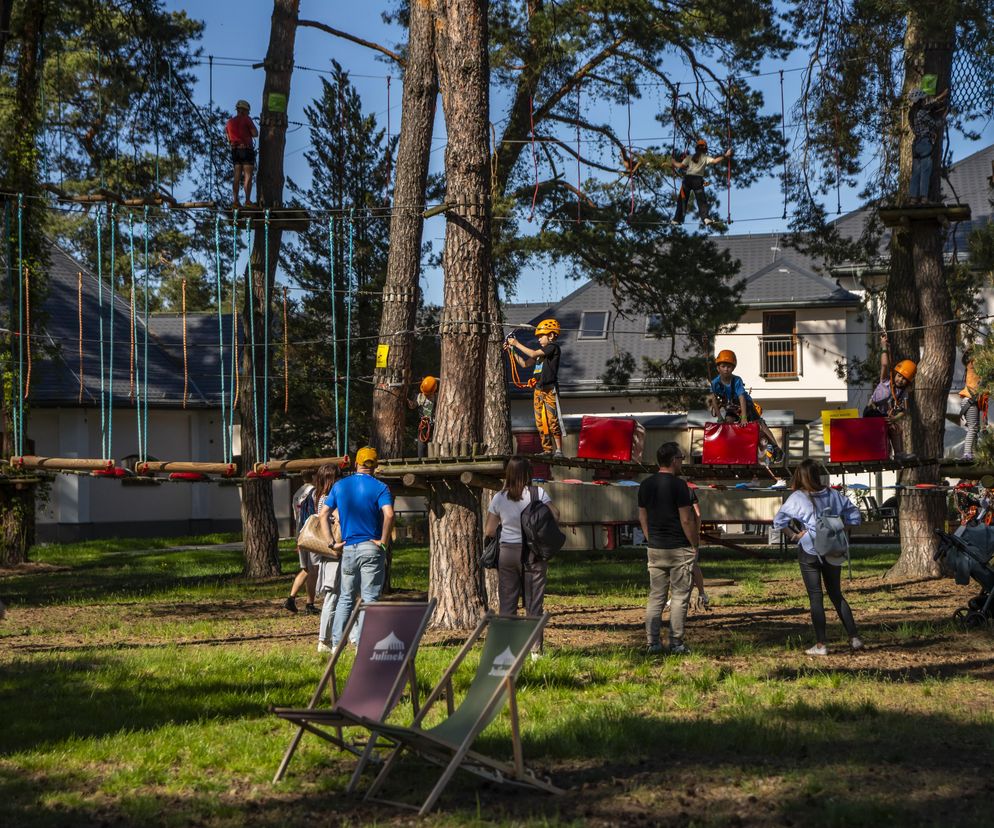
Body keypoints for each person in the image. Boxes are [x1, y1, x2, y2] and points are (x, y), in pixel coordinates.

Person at [772, 458, 863, 655]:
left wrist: (795, 536)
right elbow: (855, 515)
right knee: (836, 594)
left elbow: (779, 521)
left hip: (810, 549)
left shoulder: (798, 497)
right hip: (833, 549)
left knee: (816, 596)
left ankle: (821, 644)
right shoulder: (833, 494)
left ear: (800, 476)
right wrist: (841, 530)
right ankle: (854, 637)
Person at [484, 455, 560, 658]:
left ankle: (506, 651)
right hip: (534, 553)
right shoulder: (538, 493)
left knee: (507, 604)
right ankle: (535, 652)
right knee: (534, 603)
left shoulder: (499, 497)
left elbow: (489, 530)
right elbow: (556, 514)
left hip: (507, 553)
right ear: (528, 473)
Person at [328, 447, 395, 649]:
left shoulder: (340, 485)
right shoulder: (380, 487)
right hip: (371, 547)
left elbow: (323, 514)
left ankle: (335, 645)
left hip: (348, 548)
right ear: (374, 465)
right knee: (370, 598)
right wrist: (383, 541)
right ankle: (363, 645)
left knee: (345, 597)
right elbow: (390, 515)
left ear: (356, 463)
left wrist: (331, 541)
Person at [638, 441, 700, 655]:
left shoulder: (645, 485)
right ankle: (676, 643)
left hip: (655, 548)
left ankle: (652, 643)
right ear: (674, 460)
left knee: (656, 596)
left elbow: (643, 516)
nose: (682, 462)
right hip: (678, 549)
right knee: (680, 597)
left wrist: (650, 538)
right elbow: (686, 520)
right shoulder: (679, 486)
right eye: (681, 458)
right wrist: (695, 544)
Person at [706, 349, 784, 462]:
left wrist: (744, 417)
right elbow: (714, 400)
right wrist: (719, 418)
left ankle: (776, 448)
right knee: (728, 422)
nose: (726, 369)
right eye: (723, 366)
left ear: (733, 368)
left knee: (759, 423)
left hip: (745, 404)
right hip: (730, 406)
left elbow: (741, 398)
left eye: (729, 366)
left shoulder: (736, 380)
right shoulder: (715, 383)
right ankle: (732, 450)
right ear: (718, 368)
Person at [505, 319, 565, 457]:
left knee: (552, 420)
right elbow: (525, 364)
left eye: (541, 336)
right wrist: (512, 350)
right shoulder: (540, 356)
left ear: (550, 336)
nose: (538, 339)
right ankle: (547, 449)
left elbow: (532, 354)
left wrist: (517, 343)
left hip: (549, 389)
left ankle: (559, 450)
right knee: (540, 420)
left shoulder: (553, 347)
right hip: (538, 389)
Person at [863, 336, 916, 461]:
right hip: (871, 411)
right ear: (895, 373)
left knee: (896, 428)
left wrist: (894, 418)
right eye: (899, 376)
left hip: (883, 416)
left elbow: (905, 410)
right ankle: (887, 452)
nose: (900, 380)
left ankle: (898, 454)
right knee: (891, 427)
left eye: (904, 379)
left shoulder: (902, 393)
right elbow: (885, 364)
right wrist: (883, 346)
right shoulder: (886, 380)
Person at [312, 463, 344, 653]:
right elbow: (338, 517)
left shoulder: (322, 497)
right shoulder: (327, 499)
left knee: (339, 597)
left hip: (332, 553)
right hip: (333, 552)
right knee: (332, 597)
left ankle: (334, 638)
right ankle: (324, 640)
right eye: (338, 477)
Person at [670, 139, 731, 226]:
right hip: (697, 181)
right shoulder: (705, 157)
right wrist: (725, 155)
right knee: (701, 200)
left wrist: (673, 162)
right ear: (705, 149)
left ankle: (676, 219)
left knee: (682, 200)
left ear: (696, 148)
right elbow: (715, 161)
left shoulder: (690, 157)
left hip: (687, 180)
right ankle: (705, 218)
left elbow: (680, 166)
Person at [283, 471, 319, 615]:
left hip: (300, 532)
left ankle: (291, 598)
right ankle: (309, 603)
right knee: (313, 570)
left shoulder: (297, 493)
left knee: (306, 569)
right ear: (314, 477)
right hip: (311, 533)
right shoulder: (314, 492)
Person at [907, 88, 948, 206]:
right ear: (920, 100)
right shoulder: (921, 113)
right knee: (925, 170)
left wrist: (940, 97)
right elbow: (935, 124)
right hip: (925, 142)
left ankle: (913, 199)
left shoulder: (912, 113)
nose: (925, 101)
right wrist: (943, 117)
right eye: (923, 99)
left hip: (916, 144)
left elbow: (928, 106)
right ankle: (924, 198)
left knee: (915, 172)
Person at [225, 99, 258, 208]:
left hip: (235, 151)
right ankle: (247, 201)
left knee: (237, 176)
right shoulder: (246, 119)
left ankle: (235, 201)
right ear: (244, 110)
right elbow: (255, 133)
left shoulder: (229, 123)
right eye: (248, 112)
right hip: (246, 150)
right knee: (248, 176)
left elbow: (228, 138)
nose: (248, 114)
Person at [959, 349, 987, 462]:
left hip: (971, 401)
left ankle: (973, 453)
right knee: (973, 428)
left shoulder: (973, 366)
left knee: (975, 428)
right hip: (970, 400)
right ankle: (967, 453)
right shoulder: (973, 365)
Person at [408, 375, 439, 459]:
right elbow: (412, 406)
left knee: (434, 445)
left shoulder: (438, 397)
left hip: (436, 425)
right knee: (421, 446)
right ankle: (421, 460)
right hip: (424, 425)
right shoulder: (420, 397)